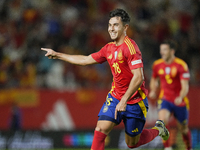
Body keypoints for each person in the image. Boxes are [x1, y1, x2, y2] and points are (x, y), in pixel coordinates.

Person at [41, 8, 169, 150]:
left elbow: (138, 77)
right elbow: (85, 59)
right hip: (115, 98)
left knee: (132, 143)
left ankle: (159, 130)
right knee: (100, 130)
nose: (111, 29)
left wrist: (124, 100)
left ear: (125, 27)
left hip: (135, 102)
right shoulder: (108, 48)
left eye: (115, 25)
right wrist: (58, 55)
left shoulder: (131, 48)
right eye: (109, 25)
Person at [149, 40, 192, 150]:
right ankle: (167, 148)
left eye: (164, 50)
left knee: (184, 129)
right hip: (165, 99)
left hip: (179, 101)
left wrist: (181, 97)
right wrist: (153, 90)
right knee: (162, 122)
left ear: (172, 51)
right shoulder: (157, 65)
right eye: (161, 50)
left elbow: (185, 86)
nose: (161, 52)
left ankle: (189, 147)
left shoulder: (181, 65)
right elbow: (154, 79)